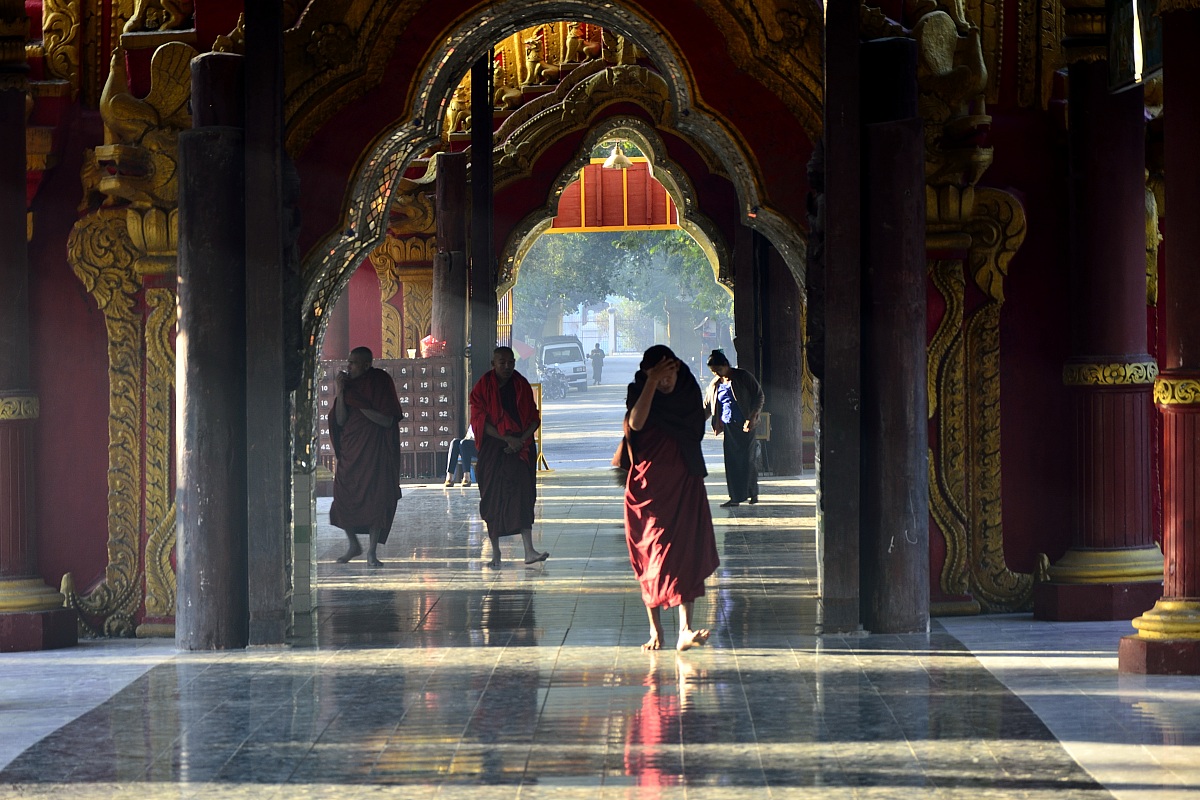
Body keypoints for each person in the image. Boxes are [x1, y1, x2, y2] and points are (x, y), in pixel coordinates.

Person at [622, 344, 719, 651]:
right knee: (651, 555)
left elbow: (694, 427)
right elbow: (636, 424)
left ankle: (685, 630)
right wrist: (650, 383)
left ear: (677, 368)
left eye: (669, 375)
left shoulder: (688, 388)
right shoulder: (639, 389)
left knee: (683, 552)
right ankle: (655, 631)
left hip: (684, 480)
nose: (666, 382)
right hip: (648, 487)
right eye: (658, 376)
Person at [469, 346, 549, 569]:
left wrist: (520, 440)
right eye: (502, 362)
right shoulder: (483, 387)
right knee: (492, 499)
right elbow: (479, 420)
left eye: (510, 362)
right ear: (493, 363)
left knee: (523, 498)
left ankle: (529, 551)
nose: (507, 366)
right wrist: (506, 440)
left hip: (520, 448)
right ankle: (495, 554)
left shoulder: (520, 384)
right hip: (494, 448)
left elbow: (533, 417)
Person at [329, 346, 403, 566]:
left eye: (353, 363)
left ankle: (372, 552)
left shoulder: (380, 381)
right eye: (348, 362)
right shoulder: (348, 386)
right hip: (352, 451)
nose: (348, 367)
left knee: (376, 500)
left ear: (367, 364)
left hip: (375, 453)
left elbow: (387, 420)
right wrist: (341, 392)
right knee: (343, 497)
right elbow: (340, 420)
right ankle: (354, 545)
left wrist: (361, 407)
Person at [703, 349, 765, 508]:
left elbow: (759, 396)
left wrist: (752, 416)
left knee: (747, 460)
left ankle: (752, 493)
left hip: (746, 426)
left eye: (718, 369)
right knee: (732, 463)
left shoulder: (743, 376)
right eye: (713, 371)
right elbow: (708, 406)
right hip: (728, 426)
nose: (716, 373)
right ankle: (735, 497)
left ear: (726, 364)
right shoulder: (715, 384)